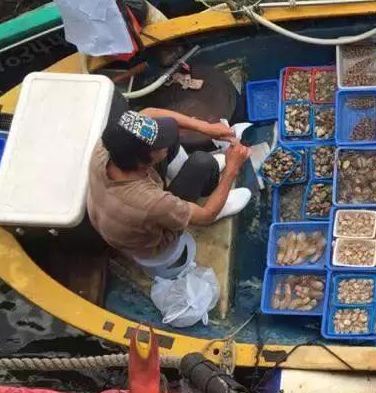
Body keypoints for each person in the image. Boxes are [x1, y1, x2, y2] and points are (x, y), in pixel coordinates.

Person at [87, 107, 252, 277]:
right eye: (160, 147)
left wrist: (206, 127)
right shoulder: (152, 201)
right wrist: (232, 168)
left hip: (116, 216)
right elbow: (205, 216)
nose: (167, 144)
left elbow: (149, 112)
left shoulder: (106, 148)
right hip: (154, 244)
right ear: (141, 161)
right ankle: (216, 203)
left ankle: (185, 172)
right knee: (202, 163)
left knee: (176, 142)